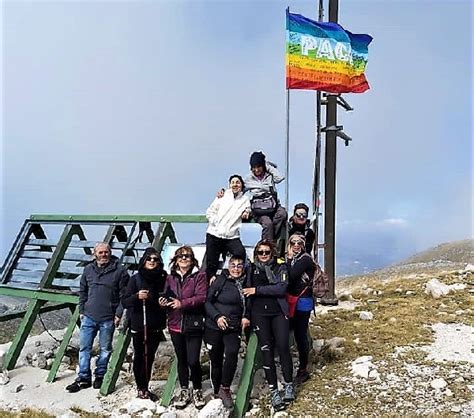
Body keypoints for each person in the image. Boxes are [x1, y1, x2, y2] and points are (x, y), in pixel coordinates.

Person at [66, 242, 129, 393]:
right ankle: (83, 378)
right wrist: (82, 309)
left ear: (110, 252)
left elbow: (124, 296)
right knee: (84, 349)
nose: (103, 255)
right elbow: (83, 291)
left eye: (106, 252)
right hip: (88, 316)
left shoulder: (120, 272)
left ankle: (100, 376)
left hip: (108, 318)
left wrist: (118, 314)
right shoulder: (88, 269)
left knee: (105, 349)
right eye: (100, 253)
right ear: (94, 254)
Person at [242, 240, 294, 411]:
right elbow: (246, 293)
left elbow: (281, 289)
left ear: (272, 253)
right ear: (256, 254)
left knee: (283, 347)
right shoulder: (251, 268)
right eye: (260, 252)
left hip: (278, 312)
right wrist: (246, 315)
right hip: (259, 314)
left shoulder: (281, 267)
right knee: (266, 351)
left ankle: (288, 384)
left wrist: (258, 290)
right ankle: (274, 391)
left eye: (267, 252)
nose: (263, 255)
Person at [159, 246, 208, 409]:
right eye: (181, 256)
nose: (184, 259)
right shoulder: (170, 277)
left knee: (193, 360)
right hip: (174, 324)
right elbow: (165, 294)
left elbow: (201, 297)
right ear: (176, 259)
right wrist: (163, 302)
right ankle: (185, 390)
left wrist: (183, 303)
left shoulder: (199, 275)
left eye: (187, 256)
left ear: (192, 259)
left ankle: (198, 389)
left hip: (193, 323)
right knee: (181, 360)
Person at [121, 247, 167, 400]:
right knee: (140, 356)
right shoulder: (136, 279)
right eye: (149, 259)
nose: (152, 261)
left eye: (155, 259)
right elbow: (125, 301)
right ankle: (141, 387)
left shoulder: (164, 277)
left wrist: (164, 302)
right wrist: (137, 296)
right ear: (144, 261)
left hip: (155, 324)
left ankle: (145, 386)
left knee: (150, 357)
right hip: (140, 323)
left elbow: (169, 296)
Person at [204, 255, 247, 409]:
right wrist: (217, 317)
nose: (236, 268)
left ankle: (225, 388)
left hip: (233, 327)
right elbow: (207, 301)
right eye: (233, 265)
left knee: (231, 353)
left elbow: (251, 303)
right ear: (228, 266)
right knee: (215, 359)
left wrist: (246, 317)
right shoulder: (220, 280)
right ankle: (216, 391)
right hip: (214, 325)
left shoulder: (246, 282)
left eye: (239, 265)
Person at [205, 174, 251, 281]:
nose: (235, 185)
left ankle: (233, 277)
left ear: (241, 185)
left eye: (237, 182)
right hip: (214, 233)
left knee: (240, 253)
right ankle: (210, 285)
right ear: (229, 185)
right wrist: (217, 223)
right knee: (212, 262)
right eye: (233, 182)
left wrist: (247, 212)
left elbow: (248, 209)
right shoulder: (222, 196)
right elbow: (210, 212)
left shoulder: (245, 199)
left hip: (231, 236)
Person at [286, 233, 315, 385]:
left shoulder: (304, 259)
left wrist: (289, 259)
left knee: (300, 333)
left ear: (303, 245)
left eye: (299, 243)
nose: (296, 245)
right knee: (297, 332)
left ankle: (303, 369)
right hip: (297, 299)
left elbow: (290, 276)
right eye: (293, 242)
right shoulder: (300, 258)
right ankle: (299, 364)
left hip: (302, 301)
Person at [245, 152, 288, 243]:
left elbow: (280, 178)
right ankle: (268, 245)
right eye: (254, 167)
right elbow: (239, 190)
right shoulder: (248, 179)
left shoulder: (269, 176)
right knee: (267, 223)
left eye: (259, 166)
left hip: (272, 205)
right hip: (259, 209)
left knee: (282, 214)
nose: (256, 170)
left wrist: (268, 167)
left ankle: (271, 239)